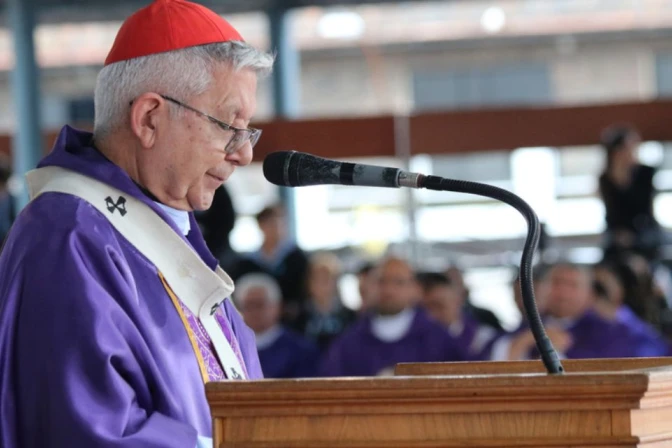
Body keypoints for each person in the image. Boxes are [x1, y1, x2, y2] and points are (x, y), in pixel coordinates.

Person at [0, 1, 274, 447]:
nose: (242, 153)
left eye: (248, 130)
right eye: (229, 125)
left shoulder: (164, 231)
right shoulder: (68, 236)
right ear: (149, 118)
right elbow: (83, 429)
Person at [319, 256, 470, 377]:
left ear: (415, 289)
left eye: (398, 282)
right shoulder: (348, 344)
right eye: (381, 281)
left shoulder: (439, 340)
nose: (388, 290)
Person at [232, 204, 309, 323]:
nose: (276, 228)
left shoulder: (297, 258)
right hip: (256, 322)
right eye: (270, 223)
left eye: (280, 223)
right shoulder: (247, 263)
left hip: (291, 320)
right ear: (260, 226)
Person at [235, 273, 320, 378]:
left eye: (260, 304)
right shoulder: (231, 347)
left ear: (277, 307)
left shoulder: (301, 351)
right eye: (248, 305)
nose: (254, 311)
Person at [598, 124, 662, 261]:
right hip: (617, 236)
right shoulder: (606, 178)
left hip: (644, 233)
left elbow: (644, 206)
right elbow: (612, 211)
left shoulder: (645, 172)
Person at [418, 272, 498, 358]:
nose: (430, 314)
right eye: (423, 308)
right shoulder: (414, 340)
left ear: (457, 300)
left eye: (439, 306)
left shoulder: (483, 339)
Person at [294, 252, 357, 351]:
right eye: (318, 278)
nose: (323, 284)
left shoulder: (351, 317)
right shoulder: (298, 318)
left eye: (328, 278)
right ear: (309, 283)